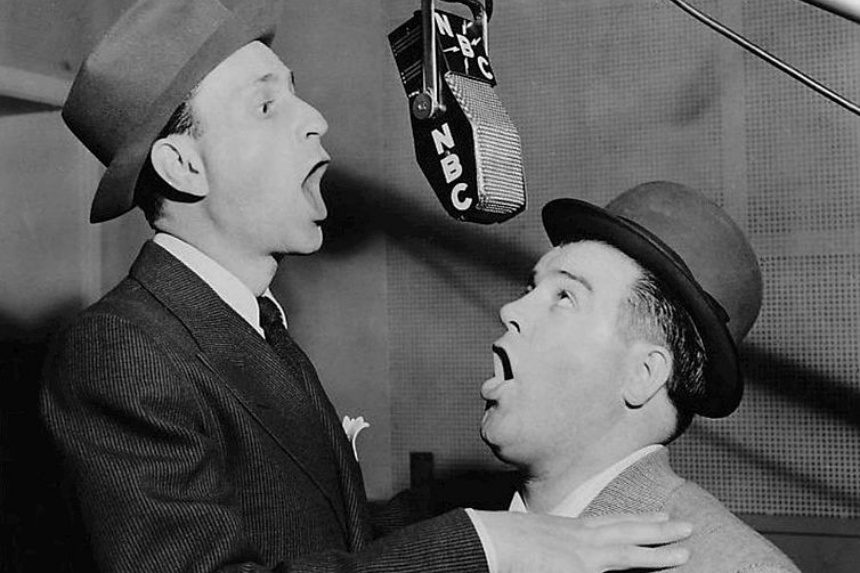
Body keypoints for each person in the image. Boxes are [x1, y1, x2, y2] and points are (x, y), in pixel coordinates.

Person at [39, 1, 695, 572]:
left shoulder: (250, 323)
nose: (316, 118)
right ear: (183, 164)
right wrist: (485, 545)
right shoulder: (119, 352)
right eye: (267, 104)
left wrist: (517, 507)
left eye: (294, 91)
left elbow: (332, 535)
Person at [471, 181, 801, 572]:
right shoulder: (454, 530)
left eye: (564, 296)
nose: (511, 309)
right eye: (531, 286)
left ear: (643, 374)